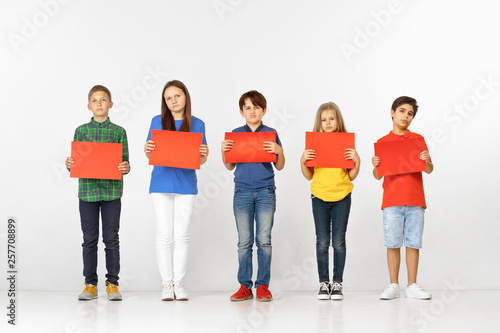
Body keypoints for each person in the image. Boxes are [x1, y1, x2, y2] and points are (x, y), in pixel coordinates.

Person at [144, 80, 208, 301]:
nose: (173, 101)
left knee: (181, 236)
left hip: (186, 185)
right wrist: (147, 148)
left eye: (177, 96)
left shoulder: (198, 124)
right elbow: (150, 152)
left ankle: (178, 284)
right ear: (165, 102)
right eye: (168, 98)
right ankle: (166, 284)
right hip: (161, 183)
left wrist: (204, 153)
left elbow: (200, 158)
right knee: (164, 235)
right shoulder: (157, 121)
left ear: (185, 97)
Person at [66, 85, 130, 301]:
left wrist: (125, 167)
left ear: (110, 105)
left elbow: (125, 162)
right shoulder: (81, 131)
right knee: (89, 240)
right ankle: (90, 284)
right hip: (87, 193)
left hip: (112, 192)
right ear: (89, 106)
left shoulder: (119, 132)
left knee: (112, 239)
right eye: (95, 100)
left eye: (103, 100)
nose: (99, 103)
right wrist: (69, 164)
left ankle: (112, 283)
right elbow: (76, 162)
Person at [221, 90, 285, 302]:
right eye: (247, 107)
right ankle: (244, 286)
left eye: (256, 107)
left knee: (264, 240)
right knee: (244, 241)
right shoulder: (236, 133)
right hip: (242, 192)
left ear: (263, 110)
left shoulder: (271, 133)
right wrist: (224, 151)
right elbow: (229, 166)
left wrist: (278, 150)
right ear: (241, 111)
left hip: (266, 191)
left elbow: (280, 165)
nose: (252, 111)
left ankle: (263, 285)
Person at [372, 96, 434, 300]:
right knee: (392, 243)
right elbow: (377, 175)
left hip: (415, 199)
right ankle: (393, 284)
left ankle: (412, 284)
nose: (405, 116)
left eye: (410, 114)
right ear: (392, 112)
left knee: (413, 243)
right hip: (392, 200)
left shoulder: (417, 140)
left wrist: (426, 160)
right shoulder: (383, 143)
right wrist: (376, 164)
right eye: (402, 111)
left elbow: (429, 170)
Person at [300, 102, 360, 300]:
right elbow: (308, 175)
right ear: (319, 122)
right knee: (322, 241)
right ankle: (323, 283)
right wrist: (303, 160)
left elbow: (351, 176)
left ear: (338, 120)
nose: (328, 123)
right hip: (319, 197)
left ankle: (337, 283)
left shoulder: (345, 143)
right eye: (324, 120)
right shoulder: (315, 144)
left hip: (342, 197)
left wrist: (356, 160)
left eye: (331, 119)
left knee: (339, 242)